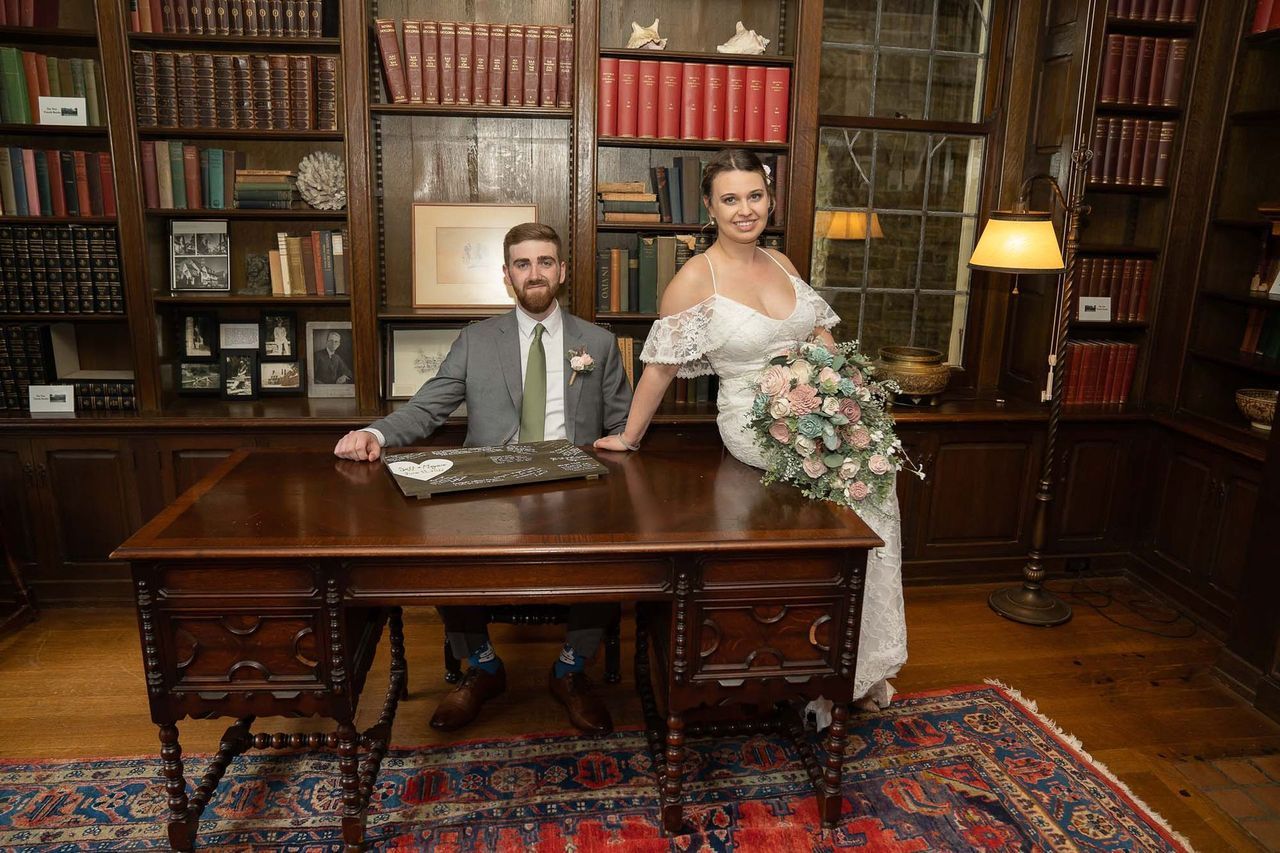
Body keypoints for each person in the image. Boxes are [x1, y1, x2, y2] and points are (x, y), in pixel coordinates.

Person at [594, 149, 906, 707]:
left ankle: (854, 659)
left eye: (755, 196)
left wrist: (855, 411)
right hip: (753, 421)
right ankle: (811, 661)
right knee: (840, 487)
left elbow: (823, 344)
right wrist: (629, 437)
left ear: (770, 199)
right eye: (730, 199)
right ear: (710, 209)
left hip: (816, 405)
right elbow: (660, 368)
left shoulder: (783, 263)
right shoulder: (694, 279)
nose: (745, 210)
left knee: (875, 477)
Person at [334, 223, 633, 734]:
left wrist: (619, 445)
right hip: (489, 487)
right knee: (440, 551)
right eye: (522, 264)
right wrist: (375, 434)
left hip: (574, 486)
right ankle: (484, 667)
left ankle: (571, 668)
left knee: (610, 549)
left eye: (544, 262)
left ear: (562, 271)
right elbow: (429, 407)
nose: (534, 273)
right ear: (506, 275)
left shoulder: (599, 344)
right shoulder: (475, 341)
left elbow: (623, 423)